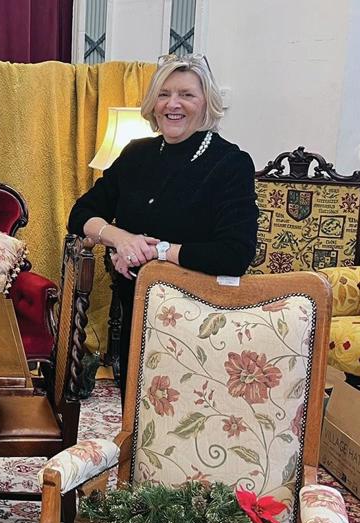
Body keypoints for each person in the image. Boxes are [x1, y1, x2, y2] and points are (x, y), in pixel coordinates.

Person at [67, 53, 258, 398]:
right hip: (137, 313)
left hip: (198, 324)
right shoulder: (135, 154)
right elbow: (81, 214)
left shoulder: (231, 163)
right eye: (164, 94)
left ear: (207, 102)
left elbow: (234, 254)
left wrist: (157, 252)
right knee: (135, 411)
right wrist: (121, 239)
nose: (173, 104)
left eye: (186, 94)